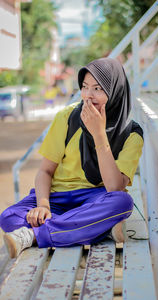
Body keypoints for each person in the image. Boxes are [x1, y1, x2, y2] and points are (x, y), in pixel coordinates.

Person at [0, 58, 144, 258]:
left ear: (115, 91)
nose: (88, 96)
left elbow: (114, 187)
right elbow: (45, 171)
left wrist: (99, 134)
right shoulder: (67, 117)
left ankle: (32, 235)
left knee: (122, 203)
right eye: (85, 87)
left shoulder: (131, 133)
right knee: (8, 217)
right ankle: (97, 229)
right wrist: (43, 206)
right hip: (56, 197)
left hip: (95, 198)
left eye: (98, 89)